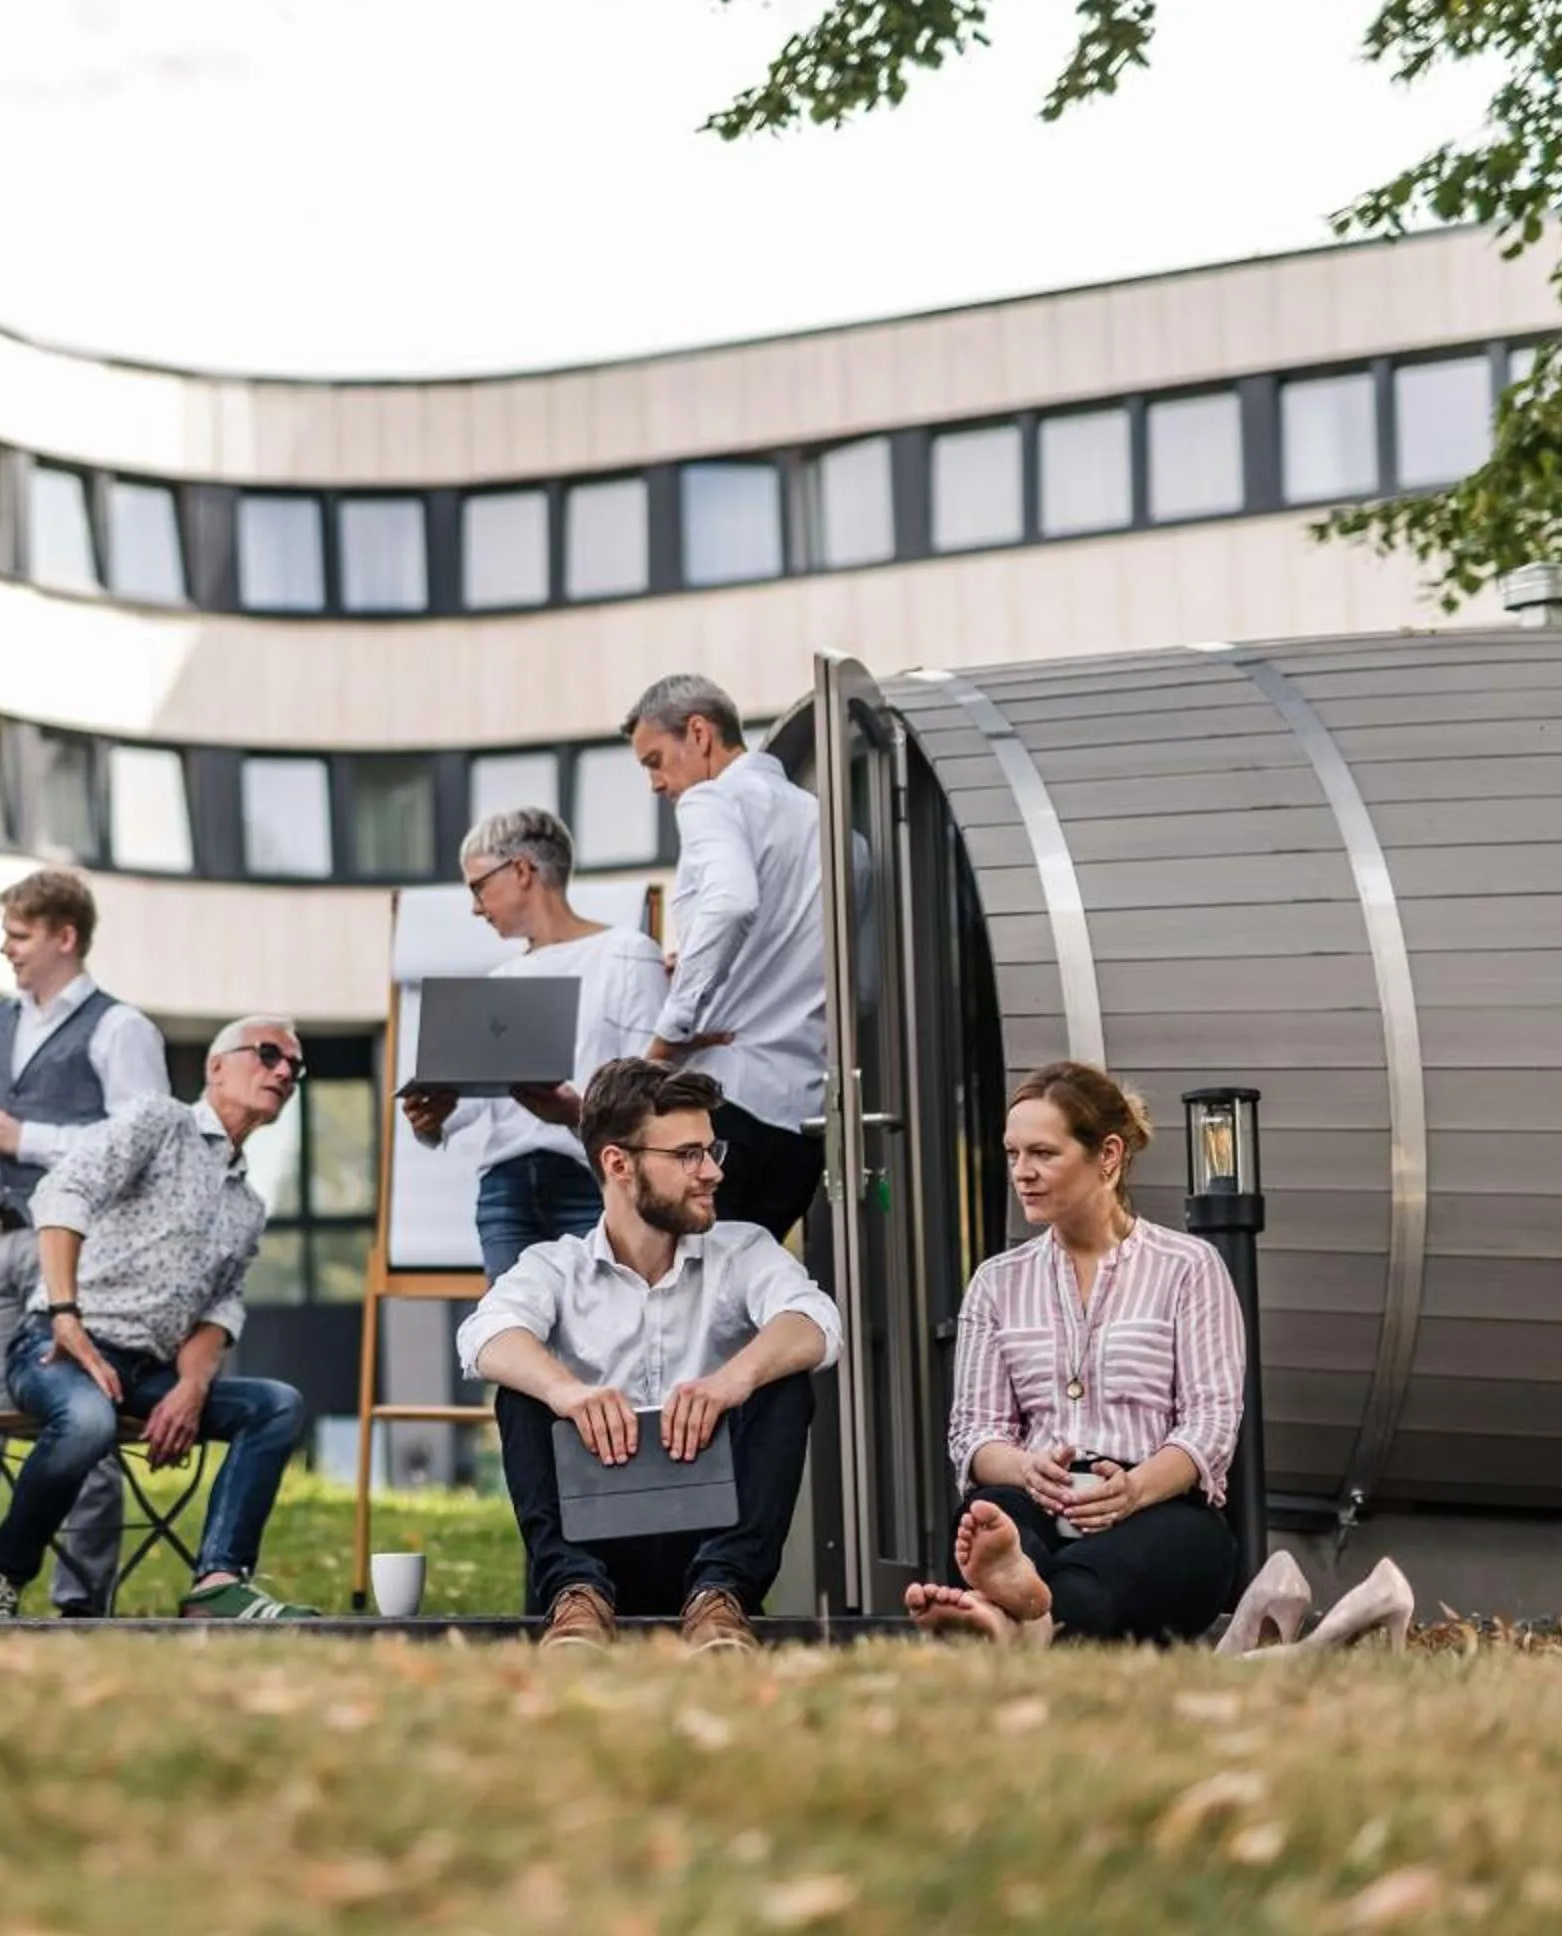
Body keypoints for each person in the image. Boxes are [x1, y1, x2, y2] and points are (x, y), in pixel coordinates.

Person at [458, 1058, 838, 1651]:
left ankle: (722, 1601)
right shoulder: (554, 1267)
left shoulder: (743, 1250)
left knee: (780, 1379)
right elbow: (485, 1336)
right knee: (523, 1386)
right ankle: (575, 1600)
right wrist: (568, 1391)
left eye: (713, 1151)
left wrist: (731, 1380)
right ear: (618, 1164)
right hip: (594, 1543)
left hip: (711, 1544)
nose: (711, 1171)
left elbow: (816, 1323)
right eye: (688, 1155)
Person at [401, 806, 668, 1613]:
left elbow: (650, 1101)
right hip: (507, 1191)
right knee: (525, 1369)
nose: (477, 908)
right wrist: (434, 1118)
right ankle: (555, 1581)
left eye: (479, 886)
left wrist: (572, 1112)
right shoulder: (499, 986)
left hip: (593, 1185)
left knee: (612, 1362)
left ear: (524, 870)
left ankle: (629, 1574)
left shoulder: (627, 954)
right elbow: (481, 1120)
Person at [0, 1018, 319, 1622]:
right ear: (215, 1067)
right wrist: (66, 1315)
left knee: (276, 1404)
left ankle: (217, 1580)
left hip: (149, 1371)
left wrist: (192, 1386)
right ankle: (3, 1578)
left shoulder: (248, 1204)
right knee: (85, 1421)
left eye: (295, 1066)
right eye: (268, 1055)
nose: (284, 1072)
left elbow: (219, 1308)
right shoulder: (161, 1121)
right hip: (57, 1347)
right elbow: (63, 1192)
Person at [0, 867, 169, 1620]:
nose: (6, 949)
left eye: (18, 936)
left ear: (64, 937)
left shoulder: (123, 1030)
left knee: (85, 1430)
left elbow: (139, 1148)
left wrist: (32, 1139)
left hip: (79, 1260)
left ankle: (79, 1607)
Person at [907, 1061, 1247, 1646]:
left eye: (1043, 1153)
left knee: (1131, 1564)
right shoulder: (996, 1282)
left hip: (1156, 1507)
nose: (1022, 1173)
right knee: (990, 1515)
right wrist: (1023, 1469)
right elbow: (973, 1434)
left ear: (1108, 1156)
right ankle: (1023, 1603)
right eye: (1013, 1154)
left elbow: (1211, 1423)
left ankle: (1008, 1614)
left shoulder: (1188, 1267)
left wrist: (1134, 1488)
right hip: (1034, 1504)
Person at [621, 674, 827, 1241]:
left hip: (726, 1103)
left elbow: (733, 903)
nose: (657, 784)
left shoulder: (711, 799)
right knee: (742, 1300)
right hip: (803, 1121)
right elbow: (858, 988)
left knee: (689, 1306)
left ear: (699, 733)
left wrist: (668, 1037)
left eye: (656, 761)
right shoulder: (833, 831)